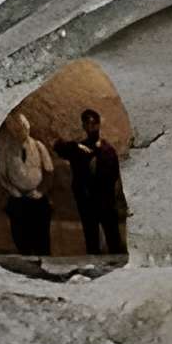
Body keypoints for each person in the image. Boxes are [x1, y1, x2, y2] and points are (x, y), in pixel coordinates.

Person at [54, 106, 125, 255]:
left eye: (93, 123)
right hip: (87, 202)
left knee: (113, 239)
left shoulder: (108, 150)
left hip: (105, 201)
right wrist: (77, 146)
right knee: (91, 240)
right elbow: (58, 147)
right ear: (83, 126)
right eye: (86, 124)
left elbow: (113, 176)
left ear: (99, 125)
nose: (90, 127)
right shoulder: (79, 149)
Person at [0, 111, 53, 255]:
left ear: (28, 128)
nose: (21, 132)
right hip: (18, 199)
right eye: (17, 129)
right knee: (21, 238)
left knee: (42, 238)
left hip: (37, 199)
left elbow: (49, 172)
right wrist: (13, 190)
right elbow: (3, 175)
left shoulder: (39, 146)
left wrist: (40, 192)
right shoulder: (7, 151)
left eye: (23, 128)